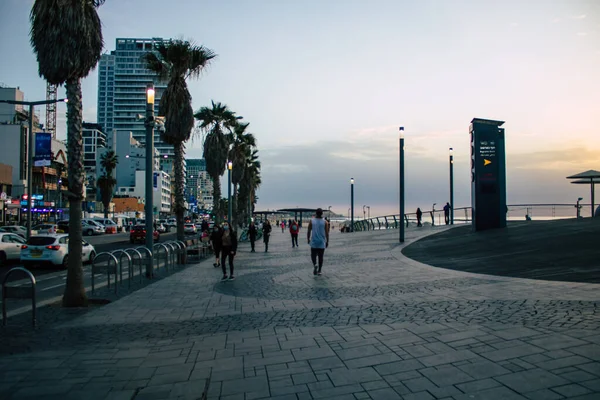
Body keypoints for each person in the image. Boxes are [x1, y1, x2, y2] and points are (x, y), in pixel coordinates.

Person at [307, 208, 329, 276]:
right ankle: (319, 271)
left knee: (313, 255)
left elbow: (309, 231)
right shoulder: (325, 222)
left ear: (316, 213)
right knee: (321, 256)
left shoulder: (312, 221)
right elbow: (326, 233)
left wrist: (308, 239)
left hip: (314, 241)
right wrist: (327, 241)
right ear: (322, 213)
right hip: (321, 241)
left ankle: (315, 264)